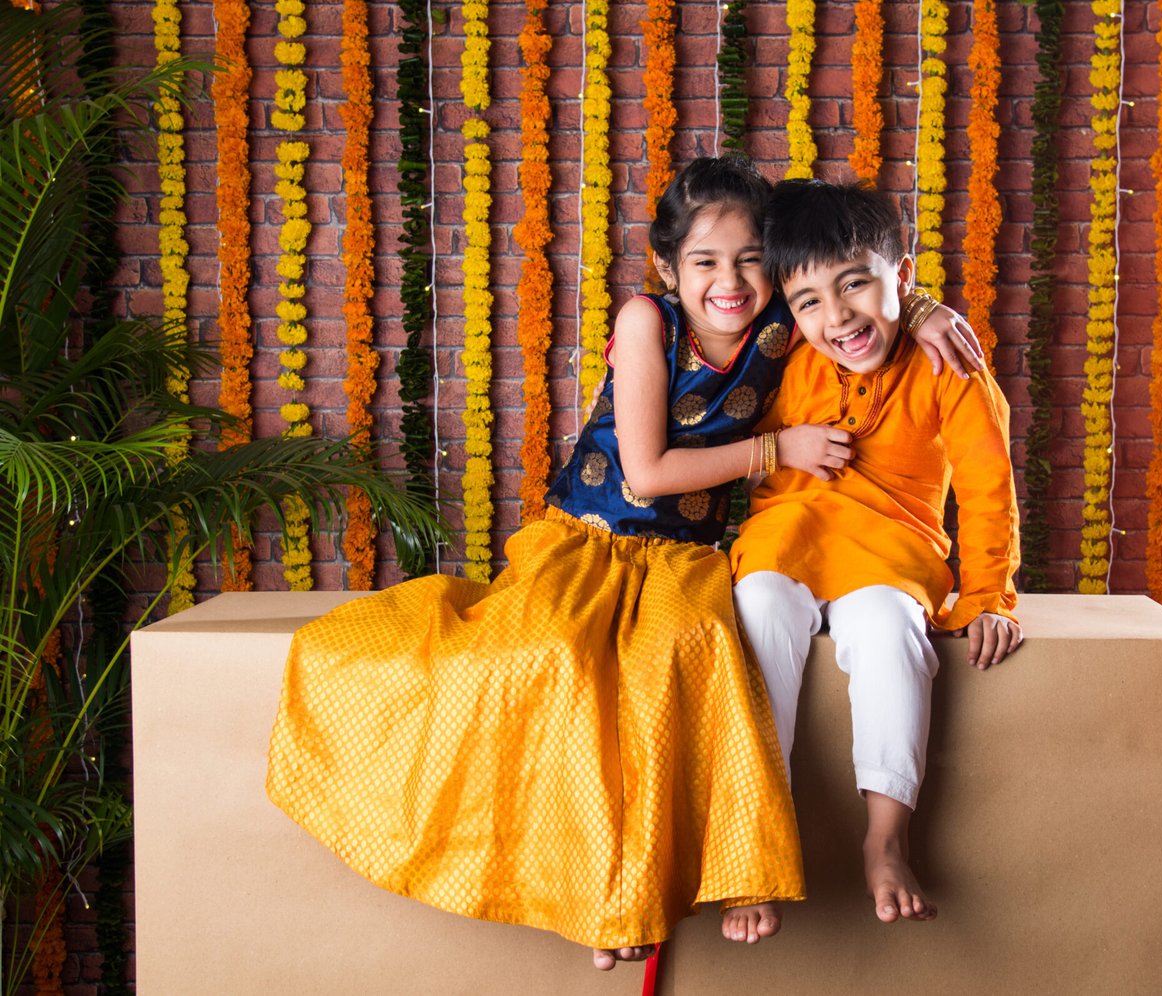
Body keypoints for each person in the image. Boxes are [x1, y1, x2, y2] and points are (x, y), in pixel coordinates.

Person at [265, 156, 982, 971]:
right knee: (555, 664)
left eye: (752, 260)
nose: (733, 281)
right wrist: (778, 447)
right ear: (666, 268)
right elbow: (646, 474)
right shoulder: (651, 322)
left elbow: (853, 281)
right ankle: (593, 895)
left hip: (684, 560)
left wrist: (921, 308)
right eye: (706, 263)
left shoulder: (783, 318)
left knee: (676, 669)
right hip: (591, 546)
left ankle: (662, 885)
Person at [729, 179, 1024, 930]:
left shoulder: (948, 366)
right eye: (810, 301)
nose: (838, 318)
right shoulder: (784, 345)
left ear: (900, 270)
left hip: (891, 557)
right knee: (759, 604)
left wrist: (990, 593)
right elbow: (720, 307)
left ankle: (886, 842)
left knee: (892, 629)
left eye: (856, 283)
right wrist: (915, 306)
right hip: (785, 539)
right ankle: (753, 847)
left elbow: (989, 490)